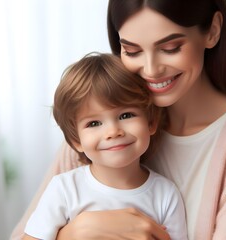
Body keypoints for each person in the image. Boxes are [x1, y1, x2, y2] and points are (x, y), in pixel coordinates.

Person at [11, 0, 226, 239]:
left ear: (212, 31)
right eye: (132, 51)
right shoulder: (95, 129)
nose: (150, 70)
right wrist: (74, 232)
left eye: (170, 47)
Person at [22, 52, 187, 240]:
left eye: (126, 115)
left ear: (150, 122)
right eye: (94, 123)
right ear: (76, 140)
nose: (113, 131)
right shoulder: (65, 189)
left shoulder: (165, 195)